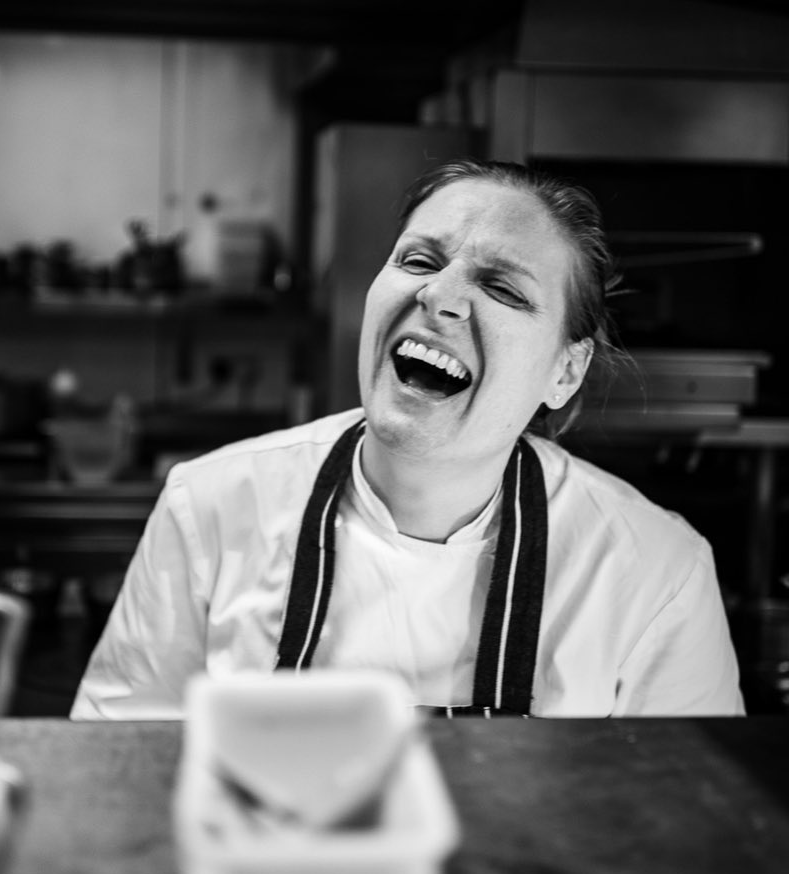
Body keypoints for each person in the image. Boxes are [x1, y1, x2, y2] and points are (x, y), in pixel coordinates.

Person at [71, 159, 744, 719]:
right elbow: (118, 771)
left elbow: (690, 841)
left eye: (503, 289)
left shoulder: (655, 574)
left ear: (565, 371)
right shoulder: (213, 505)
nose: (440, 297)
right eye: (420, 260)